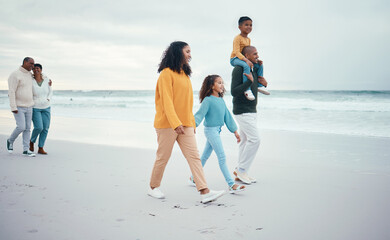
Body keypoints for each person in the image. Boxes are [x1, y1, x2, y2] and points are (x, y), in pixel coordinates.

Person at [148, 41, 225, 203]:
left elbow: (187, 102)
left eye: (190, 51)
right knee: (163, 157)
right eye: (187, 51)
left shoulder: (184, 74)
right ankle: (153, 187)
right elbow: (167, 101)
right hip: (167, 124)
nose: (190, 55)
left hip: (186, 124)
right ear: (178, 53)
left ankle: (204, 191)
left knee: (194, 157)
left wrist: (191, 122)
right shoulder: (166, 74)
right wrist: (176, 123)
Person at [191, 74, 245, 193]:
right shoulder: (208, 100)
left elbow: (227, 116)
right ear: (211, 86)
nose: (222, 85)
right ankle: (231, 184)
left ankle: (193, 177)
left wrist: (235, 131)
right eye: (219, 82)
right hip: (210, 131)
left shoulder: (221, 100)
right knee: (222, 157)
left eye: (222, 82)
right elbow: (200, 114)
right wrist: (193, 125)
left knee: (204, 156)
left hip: (217, 131)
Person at [231, 46, 266, 184]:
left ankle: (241, 172)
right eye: (255, 53)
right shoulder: (239, 69)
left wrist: (260, 78)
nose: (258, 55)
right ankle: (241, 169)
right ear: (246, 55)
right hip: (242, 110)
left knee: (245, 141)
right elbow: (234, 91)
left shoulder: (252, 69)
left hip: (251, 110)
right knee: (255, 140)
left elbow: (256, 85)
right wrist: (249, 82)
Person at [230, 16, 270, 100]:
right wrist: (246, 60)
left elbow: (248, 52)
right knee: (246, 66)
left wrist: (255, 60)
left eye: (251, 25)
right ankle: (247, 90)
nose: (249, 27)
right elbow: (237, 52)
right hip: (235, 59)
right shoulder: (237, 38)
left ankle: (259, 85)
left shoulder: (248, 39)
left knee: (259, 65)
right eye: (246, 25)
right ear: (240, 27)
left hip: (244, 58)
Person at [6, 57, 36, 157]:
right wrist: (13, 106)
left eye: (33, 64)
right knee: (21, 127)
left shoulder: (30, 75)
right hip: (18, 106)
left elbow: (40, 78)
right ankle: (10, 140)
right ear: (25, 62)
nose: (32, 66)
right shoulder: (15, 74)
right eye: (31, 64)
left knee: (27, 129)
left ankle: (26, 149)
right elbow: (11, 91)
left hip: (29, 106)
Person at [29, 63, 53, 155]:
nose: (36, 70)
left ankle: (41, 148)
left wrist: (48, 99)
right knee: (39, 127)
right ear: (32, 70)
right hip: (35, 107)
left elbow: (51, 91)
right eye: (34, 69)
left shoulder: (47, 79)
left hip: (46, 107)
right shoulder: (30, 80)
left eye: (38, 68)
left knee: (45, 128)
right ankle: (32, 141)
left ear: (41, 70)